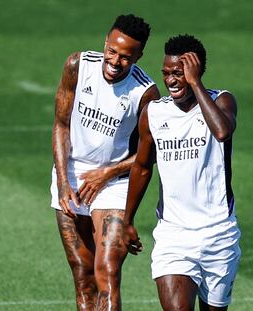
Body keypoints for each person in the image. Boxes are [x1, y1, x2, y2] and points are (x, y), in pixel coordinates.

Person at [122, 34, 241, 310]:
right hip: (174, 236)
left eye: (179, 73)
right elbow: (141, 166)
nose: (171, 80)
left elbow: (222, 131)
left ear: (197, 72)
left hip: (219, 233)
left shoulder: (222, 101)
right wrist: (127, 220)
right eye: (166, 73)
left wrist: (195, 83)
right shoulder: (154, 113)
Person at [50, 14, 160, 310]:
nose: (115, 61)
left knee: (107, 272)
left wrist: (108, 172)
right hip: (71, 175)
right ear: (105, 43)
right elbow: (61, 124)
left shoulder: (145, 93)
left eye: (126, 57)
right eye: (111, 51)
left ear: (139, 55)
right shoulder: (77, 66)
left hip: (115, 183)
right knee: (83, 276)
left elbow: (151, 152)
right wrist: (62, 183)